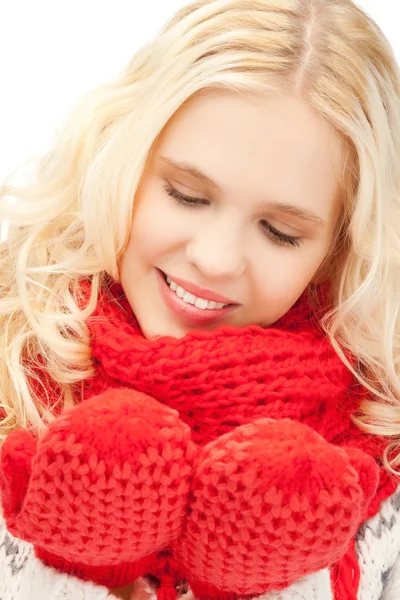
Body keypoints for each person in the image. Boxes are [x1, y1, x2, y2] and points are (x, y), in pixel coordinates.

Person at [0, 0, 400, 599]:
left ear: (339, 250)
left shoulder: (381, 445)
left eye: (280, 232)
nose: (215, 258)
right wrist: (75, 570)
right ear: (122, 158)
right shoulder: (12, 363)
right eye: (187, 195)